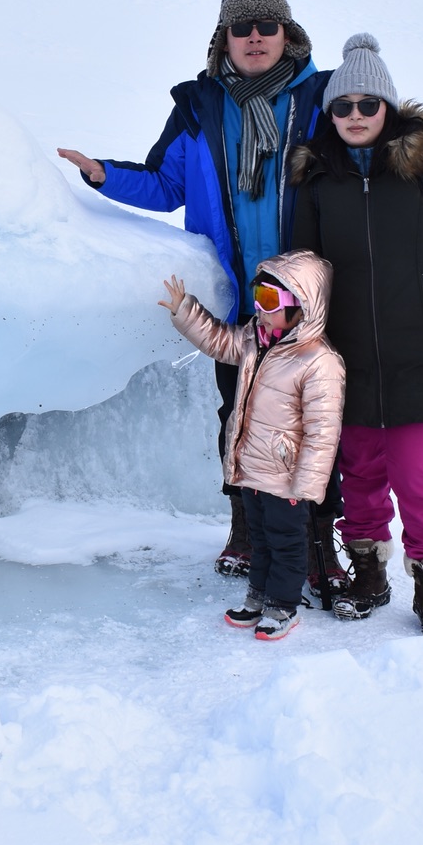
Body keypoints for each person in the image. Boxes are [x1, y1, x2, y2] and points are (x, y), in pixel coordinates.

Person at [58, 0, 338, 581]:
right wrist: (103, 175)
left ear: (287, 33)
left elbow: (368, 162)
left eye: (268, 24)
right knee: (238, 416)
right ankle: (246, 529)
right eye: (243, 27)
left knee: (318, 417)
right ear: (224, 39)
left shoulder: (323, 98)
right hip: (238, 297)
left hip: (309, 296)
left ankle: (319, 544)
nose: (256, 36)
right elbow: (166, 185)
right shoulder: (199, 106)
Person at [289, 33, 423, 635]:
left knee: (417, 476)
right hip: (345, 359)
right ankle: (368, 574)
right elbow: (304, 269)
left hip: (419, 350)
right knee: (361, 474)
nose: (355, 116)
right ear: (331, 113)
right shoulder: (318, 179)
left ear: (389, 109)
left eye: (367, 105)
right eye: (342, 106)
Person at [159, 250, 343, 640]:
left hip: (287, 477)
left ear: (302, 307)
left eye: (271, 301)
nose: (259, 307)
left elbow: (322, 432)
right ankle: (259, 596)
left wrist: (307, 486)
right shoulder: (253, 340)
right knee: (260, 539)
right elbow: (218, 341)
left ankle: (284, 606)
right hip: (252, 470)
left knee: (286, 543)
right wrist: (185, 311)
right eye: (257, 294)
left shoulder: (319, 361)